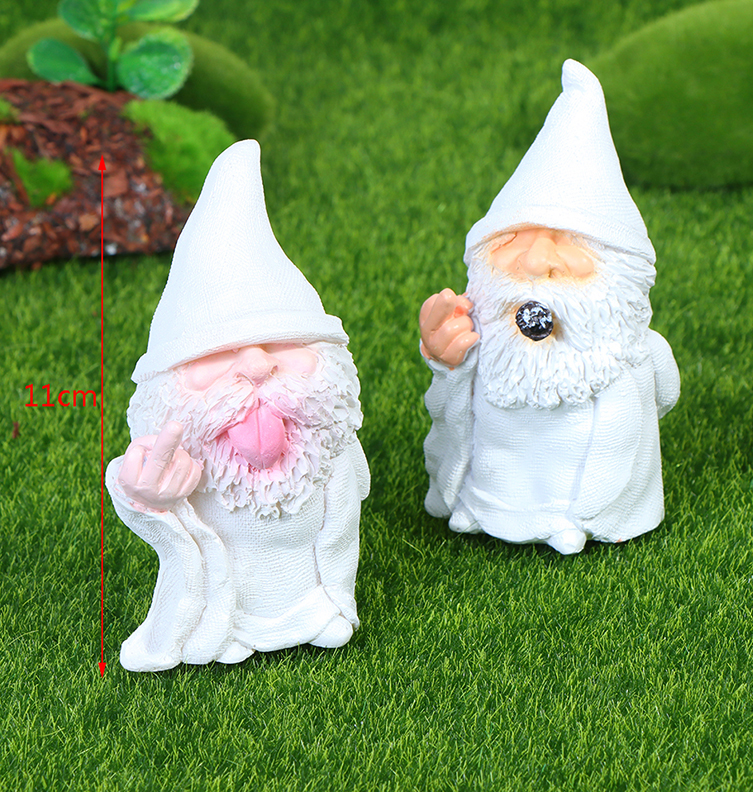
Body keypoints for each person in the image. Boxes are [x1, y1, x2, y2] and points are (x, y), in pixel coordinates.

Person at [106, 141, 369, 671]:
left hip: (317, 600)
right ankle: (229, 624)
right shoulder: (187, 455)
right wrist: (145, 495)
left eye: (281, 344)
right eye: (218, 355)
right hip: (223, 612)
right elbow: (139, 480)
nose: (255, 365)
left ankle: (318, 610)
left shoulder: (329, 443)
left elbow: (346, 505)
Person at [420, 60, 679, 554]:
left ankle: (584, 517)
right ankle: (484, 508)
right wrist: (445, 358)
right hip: (492, 493)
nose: (537, 261)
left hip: (593, 503)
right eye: (514, 238)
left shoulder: (638, 352)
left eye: (570, 242)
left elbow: (664, 396)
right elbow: (451, 404)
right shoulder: (485, 334)